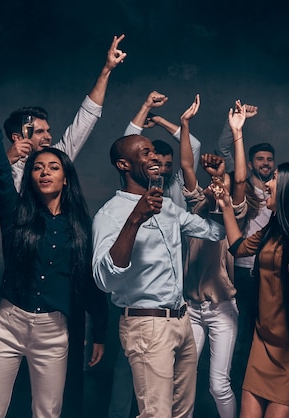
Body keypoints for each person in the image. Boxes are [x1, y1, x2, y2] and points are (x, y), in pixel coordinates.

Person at [0, 64, 107, 418]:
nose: (44, 171)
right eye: (38, 166)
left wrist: (99, 331)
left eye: (53, 167)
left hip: (54, 331)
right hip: (7, 324)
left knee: (47, 412)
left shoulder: (81, 226)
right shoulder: (14, 210)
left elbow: (88, 281)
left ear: (66, 178)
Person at [92, 132, 225, 418]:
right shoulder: (110, 215)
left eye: (153, 151)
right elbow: (104, 280)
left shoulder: (167, 207)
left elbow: (215, 232)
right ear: (123, 165)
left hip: (181, 320)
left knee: (183, 413)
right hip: (146, 326)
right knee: (157, 414)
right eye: (144, 153)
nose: (153, 157)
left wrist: (217, 188)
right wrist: (135, 220)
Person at [0, 34, 126, 219]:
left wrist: (106, 69)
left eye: (48, 131)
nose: (48, 137)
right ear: (17, 138)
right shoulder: (8, 175)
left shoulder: (58, 157)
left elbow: (87, 116)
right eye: (40, 132)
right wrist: (4, 162)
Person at [107, 91, 202, 418]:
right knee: (126, 375)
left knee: (172, 395)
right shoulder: (126, 195)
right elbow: (126, 145)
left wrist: (169, 122)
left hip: (172, 304)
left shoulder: (177, 187)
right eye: (150, 158)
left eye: (163, 162)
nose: (156, 164)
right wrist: (145, 107)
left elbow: (194, 153)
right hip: (137, 305)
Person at [213, 156, 289, 417]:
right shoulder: (273, 227)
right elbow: (239, 248)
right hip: (264, 335)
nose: (268, 184)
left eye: (275, 178)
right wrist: (226, 206)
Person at [178, 96, 249, 418]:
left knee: (218, 384)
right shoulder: (196, 208)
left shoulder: (232, 213)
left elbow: (241, 182)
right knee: (184, 378)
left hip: (221, 309)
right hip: (191, 309)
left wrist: (237, 135)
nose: (215, 186)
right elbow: (185, 167)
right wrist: (184, 125)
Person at [214, 108, 274, 402]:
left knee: (266, 326)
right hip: (243, 266)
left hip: (269, 270)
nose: (266, 163)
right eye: (260, 159)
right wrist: (234, 125)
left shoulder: (279, 189)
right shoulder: (245, 186)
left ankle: (262, 383)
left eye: (269, 159)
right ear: (251, 163)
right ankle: (239, 382)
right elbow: (223, 153)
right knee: (244, 326)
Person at [122, 91, 202, 208]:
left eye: (168, 165)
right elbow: (126, 145)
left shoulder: (180, 184)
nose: (163, 170)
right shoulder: (136, 184)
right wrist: (146, 107)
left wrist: (160, 121)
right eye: (159, 164)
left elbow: (194, 146)